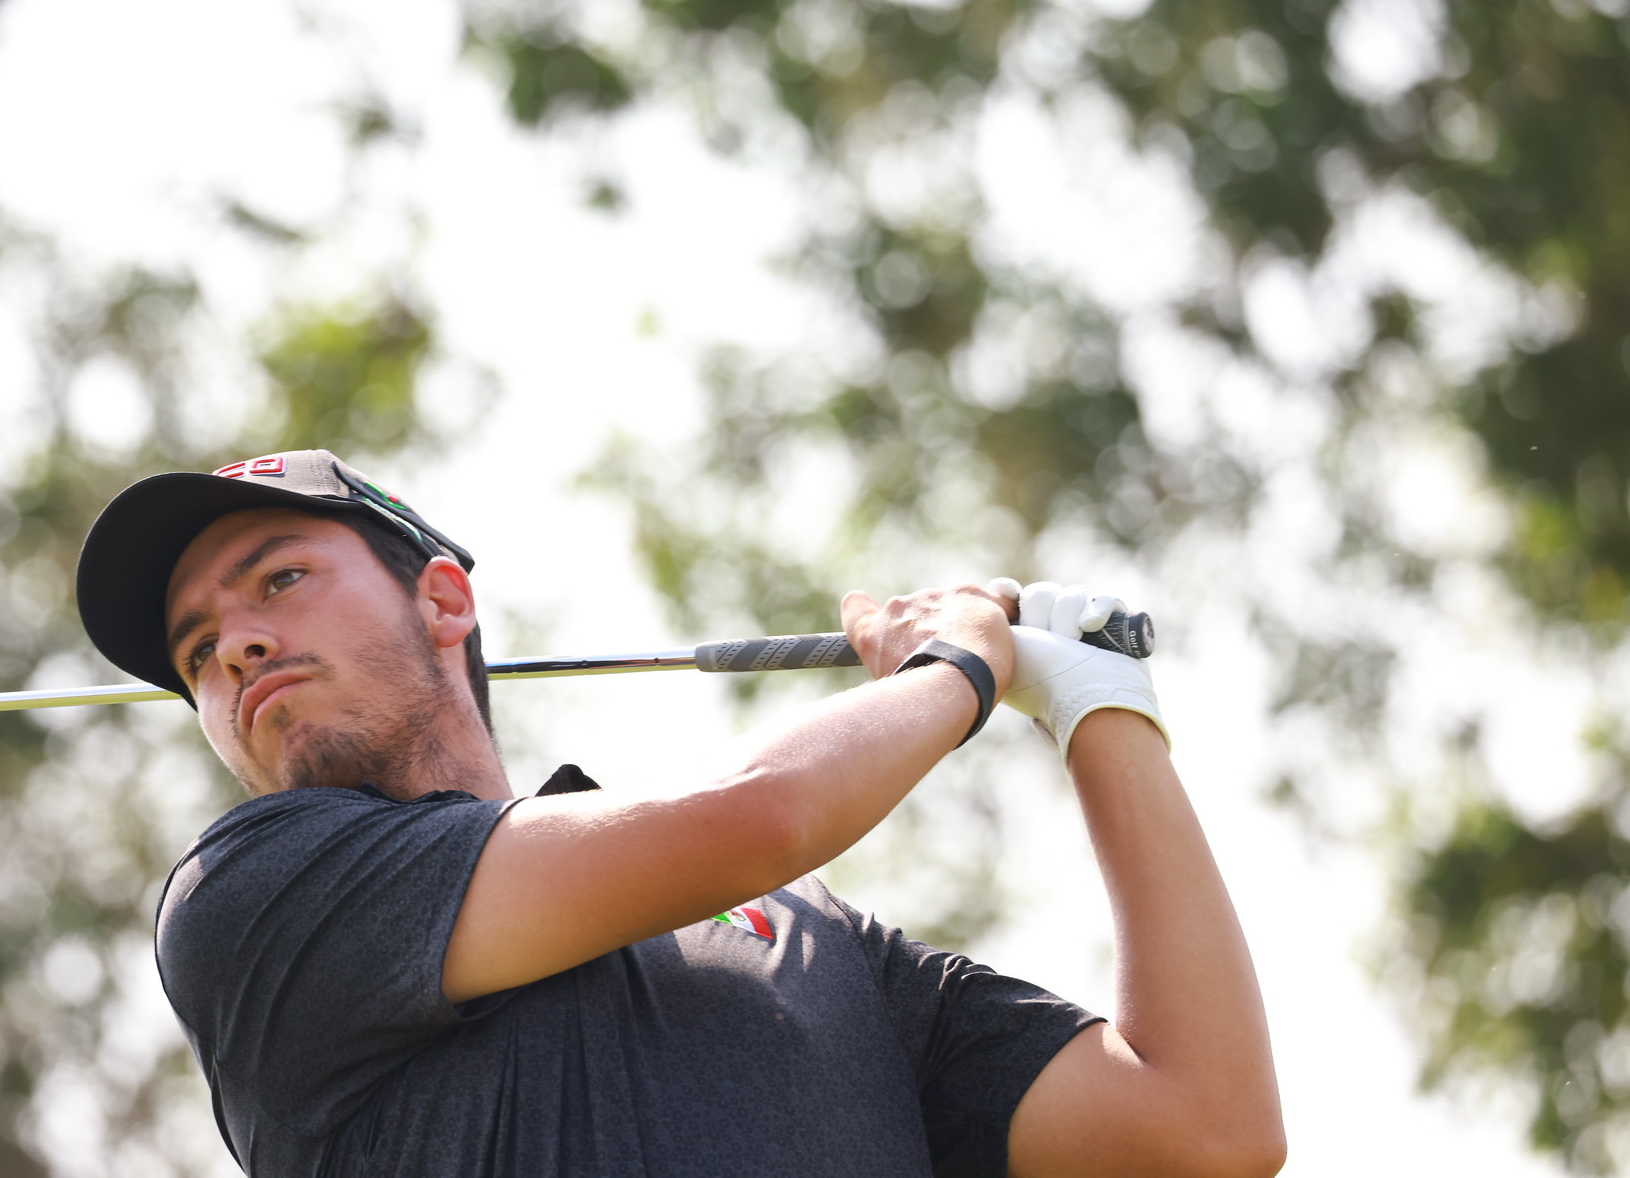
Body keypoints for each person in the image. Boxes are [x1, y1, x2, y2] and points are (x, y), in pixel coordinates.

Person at [75, 449, 1284, 1178]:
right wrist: (957, 669)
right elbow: (763, 811)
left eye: (278, 579)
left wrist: (1095, 706)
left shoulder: (806, 939)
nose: (233, 642)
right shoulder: (247, 895)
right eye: (195, 648)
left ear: (441, 599)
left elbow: (1202, 1128)